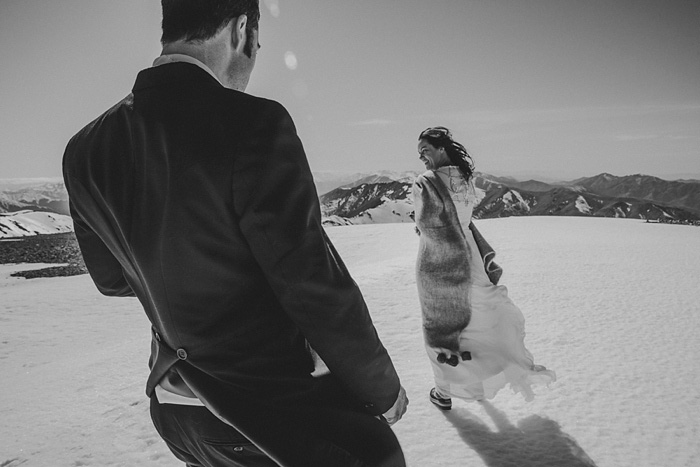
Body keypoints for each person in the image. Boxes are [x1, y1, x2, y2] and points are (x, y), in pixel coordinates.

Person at [62, 1, 408, 465]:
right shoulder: (253, 124)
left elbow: (111, 278)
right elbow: (311, 284)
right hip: (273, 417)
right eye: (258, 43)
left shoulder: (85, 147)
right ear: (242, 30)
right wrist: (380, 388)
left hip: (178, 414)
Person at [412, 126, 555, 410]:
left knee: (439, 327)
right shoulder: (464, 179)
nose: (422, 158)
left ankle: (444, 391)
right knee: (474, 323)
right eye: (419, 155)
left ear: (441, 149)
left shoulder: (425, 182)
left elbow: (425, 226)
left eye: (425, 151)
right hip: (471, 258)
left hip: (438, 263)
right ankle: (476, 382)